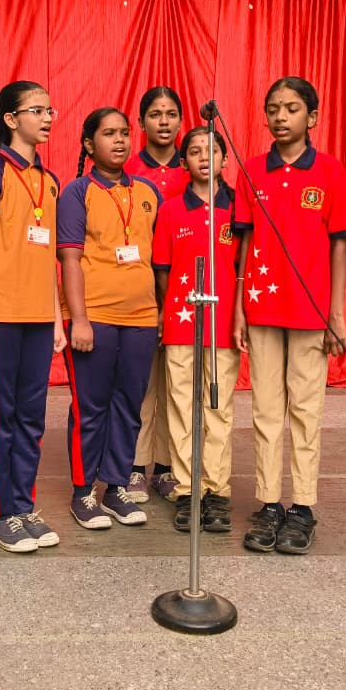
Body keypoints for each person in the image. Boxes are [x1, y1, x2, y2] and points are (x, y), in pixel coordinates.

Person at [232, 77, 346, 556]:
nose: (281, 117)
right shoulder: (251, 171)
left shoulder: (329, 171)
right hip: (262, 308)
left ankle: (302, 506)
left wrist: (336, 314)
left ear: (312, 117)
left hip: (311, 312)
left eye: (292, 108)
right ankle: (269, 503)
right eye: (273, 108)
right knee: (265, 410)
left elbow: (339, 244)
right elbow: (243, 243)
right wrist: (240, 307)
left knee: (305, 410)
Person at [0, 81, 67, 553]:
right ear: (11, 119)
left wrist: (57, 319)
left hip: (38, 318)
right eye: (36, 110)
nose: (47, 118)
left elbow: (48, 256)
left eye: (50, 111)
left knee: (31, 418)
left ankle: (23, 505)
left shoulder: (50, 181)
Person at [58, 108, 162, 529]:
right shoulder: (76, 192)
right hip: (95, 315)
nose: (119, 141)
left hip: (141, 318)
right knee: (91, 406)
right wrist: (79, 319)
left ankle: (116, 486)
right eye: (108, 134)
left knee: (129, 405)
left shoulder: (148, 192)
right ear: (89, 144)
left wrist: (158, 314)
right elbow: (69, 259)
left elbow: (158, 260)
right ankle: (83, 491)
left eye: (124, 133)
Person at [152, 126, 241, 532]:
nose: (204, 157)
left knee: (218, 408)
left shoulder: (239, 208)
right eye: (194, 151)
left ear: (225, 158)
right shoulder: (171, 210)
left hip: (223, 325)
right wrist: (167, 311)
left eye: (212, 150)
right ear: (183, 161)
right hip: (181, 322)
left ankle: (217, 490)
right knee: (182, 406)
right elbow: (163, 270)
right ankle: (188, 490)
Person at [124, 86, 188, 504]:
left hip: (183, 292)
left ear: (181, 120)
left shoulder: (194, 167)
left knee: (174, 383)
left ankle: (166, 467)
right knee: (139, 382)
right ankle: (133, 465)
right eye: (155, 114)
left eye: (170, 114)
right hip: (137, 290)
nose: (163, 122)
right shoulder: (128, 168)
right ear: (141, 122)